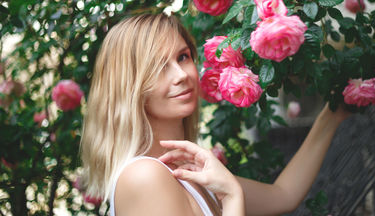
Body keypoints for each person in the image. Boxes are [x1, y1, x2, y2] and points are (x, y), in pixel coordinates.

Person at [80, 13, 350, 216]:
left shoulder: (187, 172)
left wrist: (331, 116)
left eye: (183, 57)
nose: (181, 75)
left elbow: (282, 196)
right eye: (158, 66)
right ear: (130, 86)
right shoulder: (144, 177)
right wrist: (231, 198)